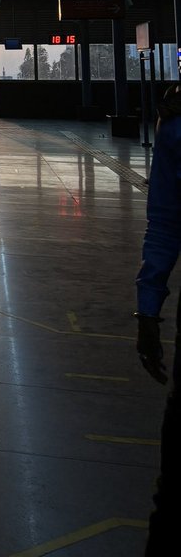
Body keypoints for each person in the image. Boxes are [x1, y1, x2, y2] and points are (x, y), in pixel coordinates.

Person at [135, 81, 181, 555]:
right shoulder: (177, 122)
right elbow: (167, 222)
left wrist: (148, 309)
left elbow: (165, 224)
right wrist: (148, 308)